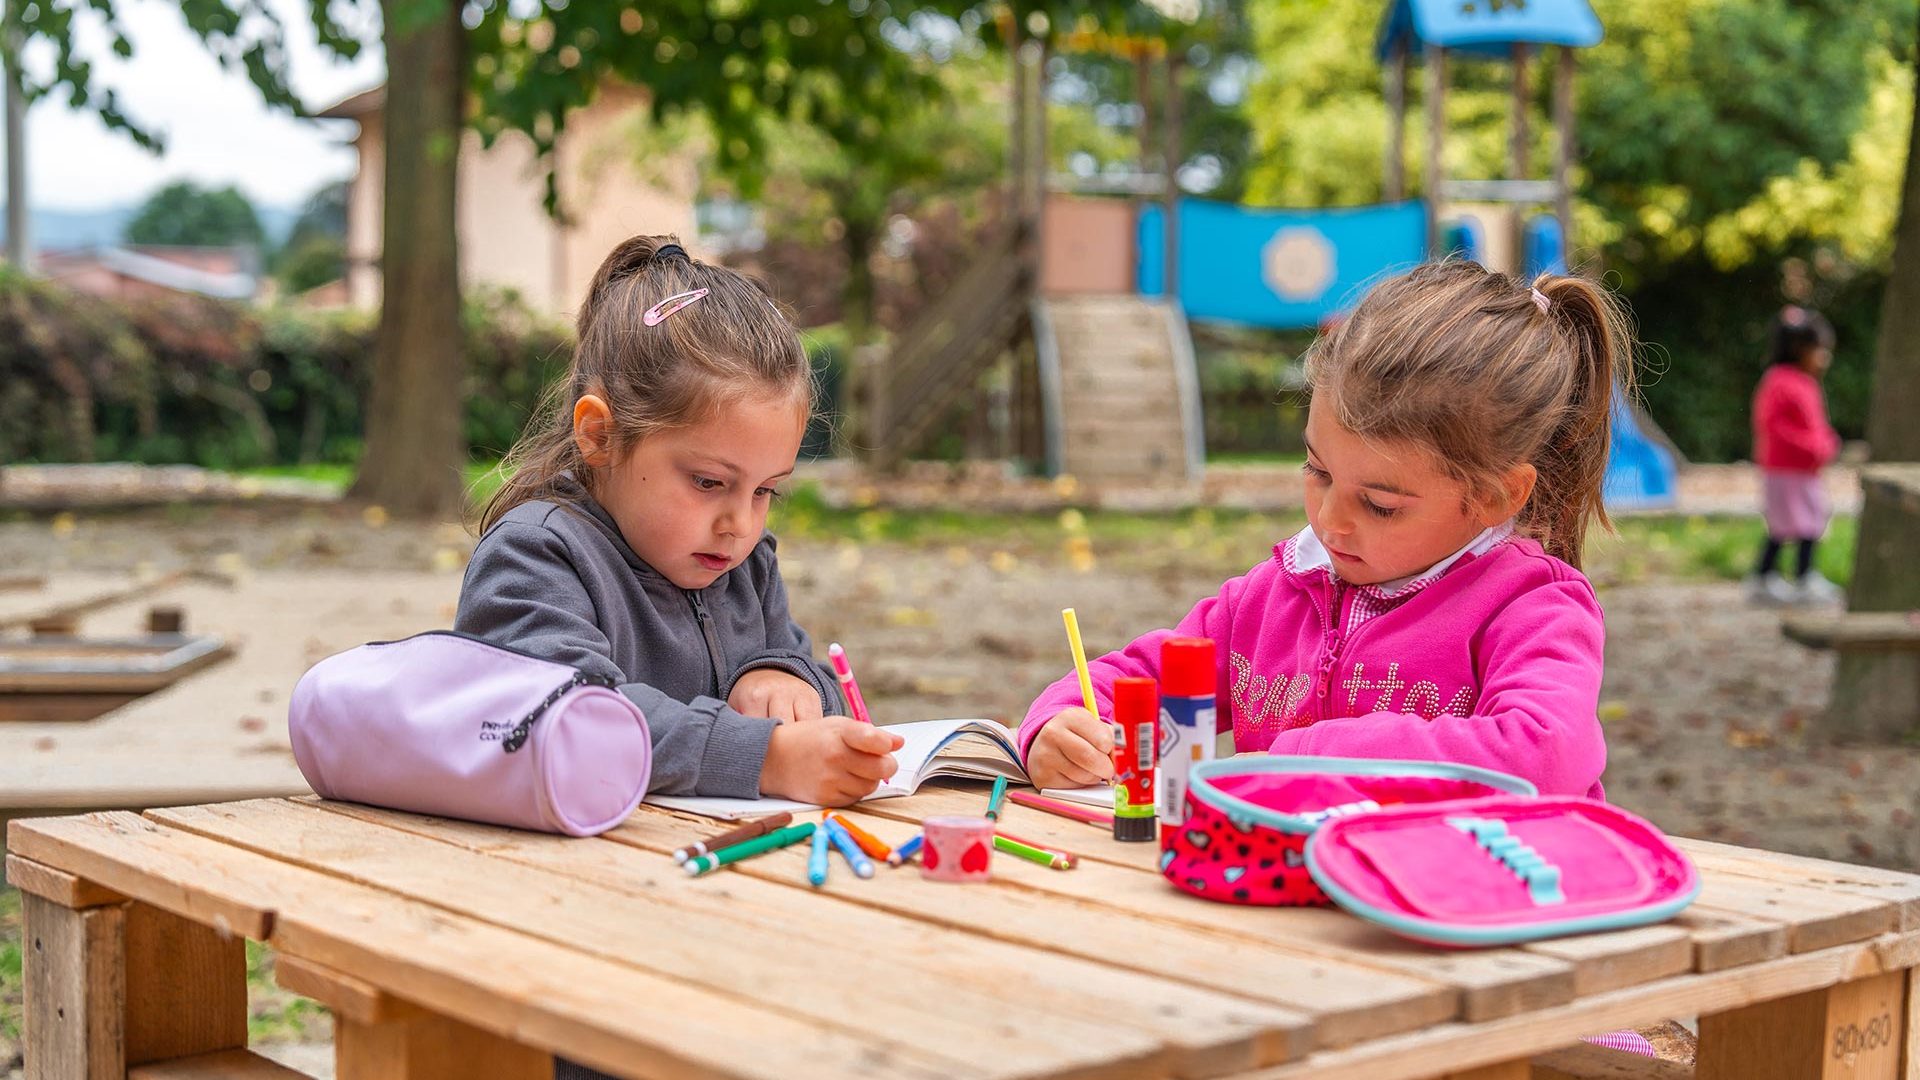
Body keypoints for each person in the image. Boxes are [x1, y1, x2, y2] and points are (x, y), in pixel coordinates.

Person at [1022, 262, 1633, 798]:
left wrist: (1308, 762)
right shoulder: (1272, 595)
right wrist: (1065, 722)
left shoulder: (1532, 606)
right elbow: (1142, 678)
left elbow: (1545, 754)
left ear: (1496, 495)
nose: (1330, 520)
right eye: (1317, 471)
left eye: (1380, 504)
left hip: (1478, 914)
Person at [457, 234, 902, 804]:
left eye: (766, 490)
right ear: (599, 434)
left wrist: (786, 678)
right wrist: (763, 757)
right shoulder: (533, 555)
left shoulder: (744, 566)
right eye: (709, 483)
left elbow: (806, 670)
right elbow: (571, 715)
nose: (740, 524)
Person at [1747, 305, 1844, 605]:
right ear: (1799, 348)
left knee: (1803, 520)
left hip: (1803, 470)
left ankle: (1772, 576)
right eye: (1819, 349)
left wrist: (1826, 441)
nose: (1823, 357)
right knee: (1794, 523)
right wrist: (1815, 446)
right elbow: (1774, 428)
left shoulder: (1803, 382)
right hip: (1785, 470)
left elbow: (1811, 424)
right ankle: (1796, 578)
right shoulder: (1780, 381)